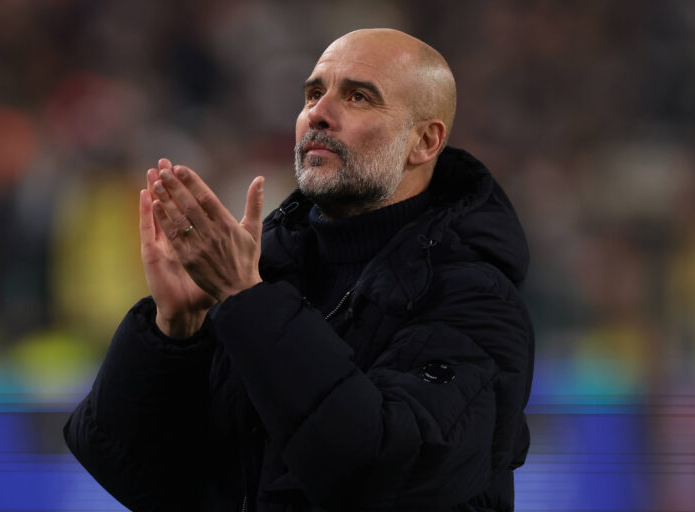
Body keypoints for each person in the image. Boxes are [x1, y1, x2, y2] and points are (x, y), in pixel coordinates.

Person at [64, 28, 534, 512]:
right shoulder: (266, 269)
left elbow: (384, 471)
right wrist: (174, 332)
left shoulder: (477, 299)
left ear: (425, 140)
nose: (319, 114)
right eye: (313, 93)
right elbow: (139, 475)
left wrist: (250, 301)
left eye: (357, 97)